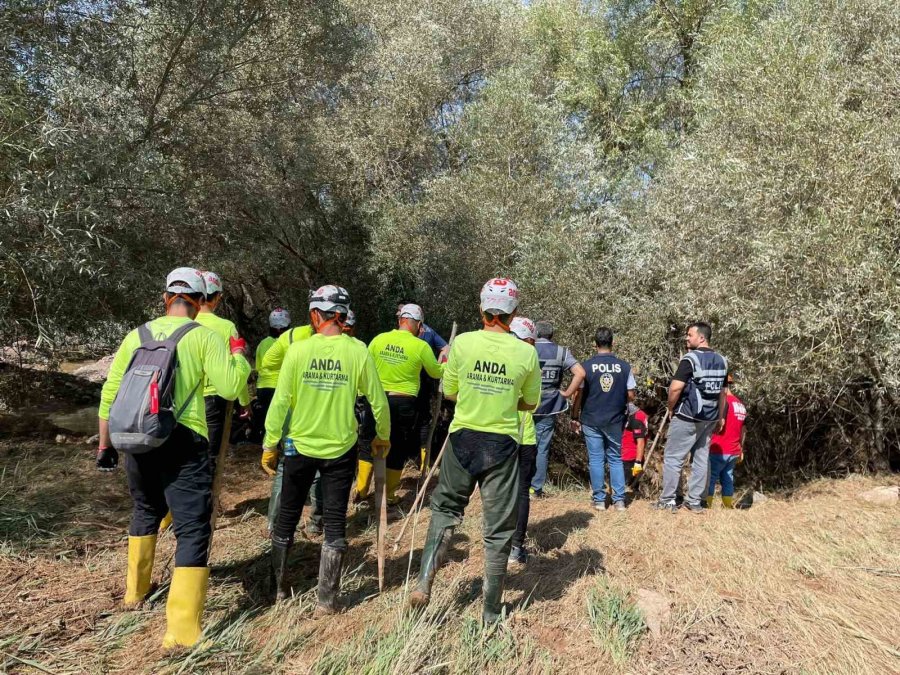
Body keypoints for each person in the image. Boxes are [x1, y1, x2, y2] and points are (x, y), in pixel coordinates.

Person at [97, 267, 251, 648]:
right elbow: (231, 388)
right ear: (199, 303)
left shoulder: (138, 334)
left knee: (145, 510)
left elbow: (110, 393)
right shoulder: (203, 336)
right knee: (192, 527)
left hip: (137, 437)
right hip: (185, 441)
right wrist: (240, 358)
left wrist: (105, 446)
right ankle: (182, 633)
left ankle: (135, 593)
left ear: (166, 298)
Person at [408, 278, 541, 624]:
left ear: (481, 309)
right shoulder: (526, 352)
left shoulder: (463, 344)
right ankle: (491, 610)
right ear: (513, 315)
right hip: (503, 446)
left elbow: (448, 391)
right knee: (498, 529)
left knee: (445, 509)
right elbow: (529, 402)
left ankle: (424, 582)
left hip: (462, 440)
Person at [262, 285, 390, 616]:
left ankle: (276, 590)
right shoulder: (358, 350)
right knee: (334, 522)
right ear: (343, 315)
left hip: (299, 447)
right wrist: (382, 437)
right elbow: (378, 400)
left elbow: (280, 402)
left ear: (315, 315)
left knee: (288, 517)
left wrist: (269, 443)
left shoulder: (298, 351)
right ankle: (326, 600)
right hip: (341, 450)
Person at [359, 304, 445, 510]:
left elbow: (365, 366)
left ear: (400, 321)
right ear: (418, 325)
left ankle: (361, 490)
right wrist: (445, 364)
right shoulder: (420, 346)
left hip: (377, 400)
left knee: (367, 441)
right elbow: (435, 373)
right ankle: (388, 495)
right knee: (396, 446)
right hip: (403, 402)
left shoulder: (379, 340)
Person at [654, 321, 729, 513]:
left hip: (688, 416)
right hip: (709, 418)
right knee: (701, 459)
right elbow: (723, 393)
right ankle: (694, 501)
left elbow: (675, 388)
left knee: (673, 458)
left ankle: (668, 500)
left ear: (701, 338)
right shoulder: (722, 360)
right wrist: (721, 417)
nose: (687, 338)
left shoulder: (690, 359)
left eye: (690, 335)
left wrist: (671, 408)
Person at [569, 327, 636, 511]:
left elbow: (578, 395)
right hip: (615, 419)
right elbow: (631, 395)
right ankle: (619, 500)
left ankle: (599, 500)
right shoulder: (624, 367)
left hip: (591, 419)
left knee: (596, 459)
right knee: (615, 458)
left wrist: (574, 416)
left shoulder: (585, 367)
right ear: (612, 343)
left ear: (594, 344)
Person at [195, 271, 251, 479]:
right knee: (210, 455)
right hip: (214, 399)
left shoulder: (183, 324)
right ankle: (206, 503)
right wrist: (244, 402)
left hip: (183, 398)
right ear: (217, 297)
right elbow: (237, 370)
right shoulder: (227, 328)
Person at [530, 321, 585, 497]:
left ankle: (518, 484)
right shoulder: (562, 352)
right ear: (551, 335)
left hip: (525, 405)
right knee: (542, 448)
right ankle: (536, 488)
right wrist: (568, 393)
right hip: (550, 406)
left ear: (536, 333)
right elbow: (580, 373)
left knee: (519, 444)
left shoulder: (527, 348)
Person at [508, 316, 538, 565]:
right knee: (520, 491)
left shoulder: (493, 351)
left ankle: (496, 543)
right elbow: (532, 400)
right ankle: (515, 548)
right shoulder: (528, 358)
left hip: (494, 433)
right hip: (522, 435)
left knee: (497, 490)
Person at [252, 308, 292, 443]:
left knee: (266, 418)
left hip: (263, 387)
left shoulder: (262, 344)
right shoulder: (289, 343)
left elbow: (258, 367)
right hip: (281, 387)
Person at [707, 376, 747, 508]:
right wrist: (741, 448)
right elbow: (743, 430)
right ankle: (728, 506)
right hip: (734, 450)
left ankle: (707, 505)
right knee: (728, 478)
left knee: (711, 478)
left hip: (719, 448)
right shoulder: (740, 404)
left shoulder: (723, 402)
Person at [621, 403, 648, 490]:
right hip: (624, 454)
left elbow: (641, 442)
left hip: (630, 458)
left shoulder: (637, 418)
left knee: (626, 486)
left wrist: (638, 462)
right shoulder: (631, 415)